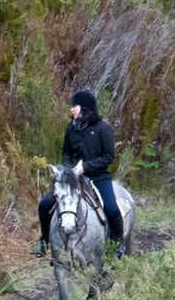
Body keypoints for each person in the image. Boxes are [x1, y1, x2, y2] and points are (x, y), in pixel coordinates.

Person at [33, 88, 125, 258]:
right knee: (44, 205)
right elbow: (66, 151)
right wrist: (68, 170)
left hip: (98, 177)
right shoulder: (71, 127)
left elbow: (108, 157)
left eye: (74, 106)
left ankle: (118, 243)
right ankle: (44, 240)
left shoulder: (104, 129)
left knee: (112, 210)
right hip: (73, 178)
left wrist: (86, 167)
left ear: (84, 107)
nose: (71, 109)